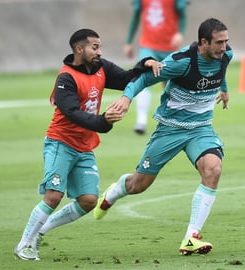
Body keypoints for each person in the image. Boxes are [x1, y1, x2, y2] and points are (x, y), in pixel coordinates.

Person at [14, 28, 162, 261]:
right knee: (53, 196)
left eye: (100, 46)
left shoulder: (101, 67)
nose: (99, 51)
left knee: (88, 201)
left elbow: (126, 78)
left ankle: (41, 230)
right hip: (60, 143)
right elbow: (72, 112)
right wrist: (103, 121)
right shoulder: (66, 78)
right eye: (95, 47)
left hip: (84, 146)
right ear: (79, 49)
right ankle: (25, 244)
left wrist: (145, 62)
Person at [94, 18, 232, 255]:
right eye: (219, 42)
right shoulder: (181, 62)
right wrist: (127, 98)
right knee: (139, 185)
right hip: (169, 129)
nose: (224, 47)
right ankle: (114, 192)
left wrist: (224, 90)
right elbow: (145, 77)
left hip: (200, 129)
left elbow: (221, 70)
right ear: (203, 42)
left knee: (213, 169)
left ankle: (191, 237)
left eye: (226, 41)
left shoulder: (225, 55)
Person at [124, 0, 189, 135]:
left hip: (169, 47)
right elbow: (136, 14)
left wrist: (180, 33)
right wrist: (129, 41)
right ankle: (141, 121)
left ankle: (173, 120)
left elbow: (182, 14)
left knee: (171, 85)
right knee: (143, 76)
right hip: (148, 46)